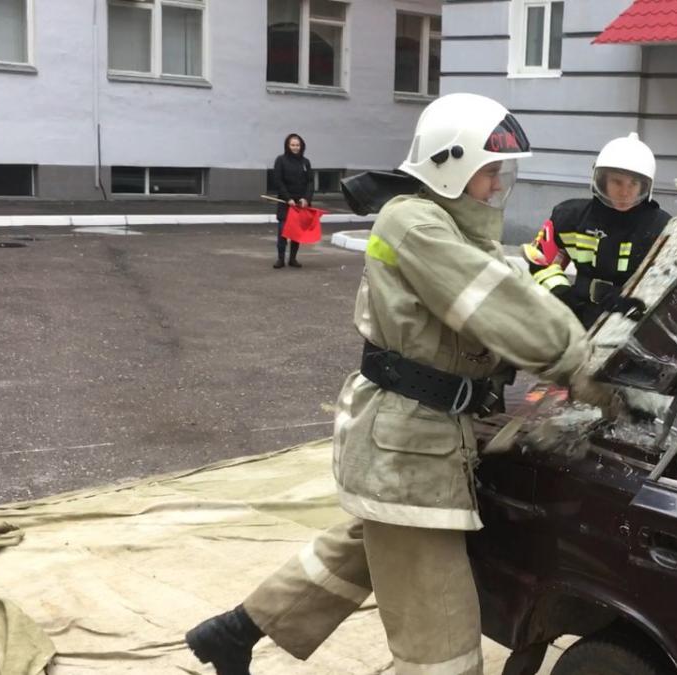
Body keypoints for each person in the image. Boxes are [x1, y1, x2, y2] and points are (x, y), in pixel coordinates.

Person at [185, 93, 617, 675]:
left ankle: (233, 631)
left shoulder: (450, 227)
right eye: (490, 172)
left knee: (365, 545)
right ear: (451, 165)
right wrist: (584, 368)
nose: (497, 185)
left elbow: (512, 279)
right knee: (442, 642)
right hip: (409, 446)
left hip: (418, 436)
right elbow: (495, 302)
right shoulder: (415, 223)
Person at [524, 132, 672, 327]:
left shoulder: (661, 228)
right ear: (601, 181)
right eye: (617, 182)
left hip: (633, 324)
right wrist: (563, 295)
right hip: (576, 316)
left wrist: (635, 300)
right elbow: (540, 262)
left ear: (646, 187)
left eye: (634, 183)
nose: (625, 192)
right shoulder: (569, 217)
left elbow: (672, 284)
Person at [272, 133, 313, 269]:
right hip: (286, 202)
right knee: (283, 231)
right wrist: (287, 198)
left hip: (300, 204)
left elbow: (310, 182)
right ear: (287, 146)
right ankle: (280, 259)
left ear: (301, 146)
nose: (295, 147)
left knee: (296, 232)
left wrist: (306, 199)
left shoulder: (305, 162)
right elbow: (278, 181)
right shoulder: (281, 160)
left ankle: (293, 259)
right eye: (293, 145)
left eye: (298, 145)